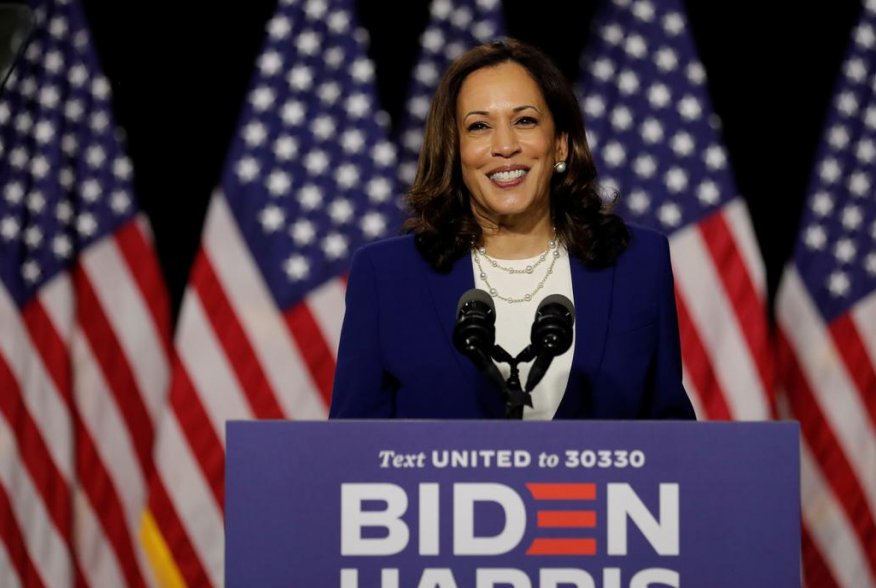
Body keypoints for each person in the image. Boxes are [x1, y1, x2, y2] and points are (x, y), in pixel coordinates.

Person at [329, 39, 695, 420]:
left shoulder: (637, 262)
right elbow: (353, 450)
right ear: (455, 151)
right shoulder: (387, 275)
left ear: (561, 145)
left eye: (525, 121)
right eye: (479, 126)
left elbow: (670, 438)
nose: (504, 146)